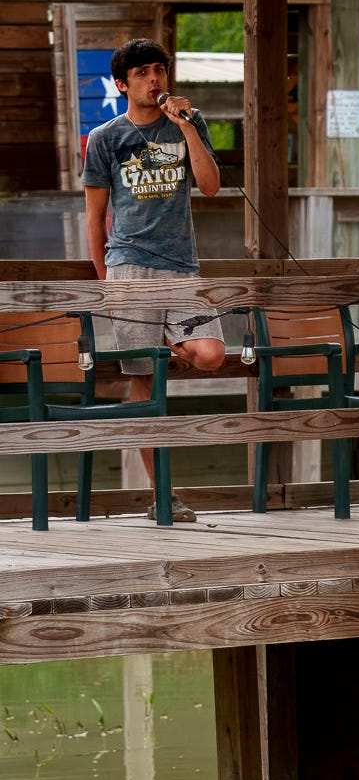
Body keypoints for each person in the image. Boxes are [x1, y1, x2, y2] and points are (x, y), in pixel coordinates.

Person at [82, 38, 226, 522]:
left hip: (182, 264)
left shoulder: (189, 121)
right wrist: (106, 285)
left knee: (210, 354)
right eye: (142, 73)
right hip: (129, 266)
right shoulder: (106, 138)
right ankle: (162, 494)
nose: (154, 80)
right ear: (122, 84)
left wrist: (187, 129)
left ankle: (168, 340)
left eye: (159, 70)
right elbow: (94, 217)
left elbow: (209, 186)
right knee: (143, 380)